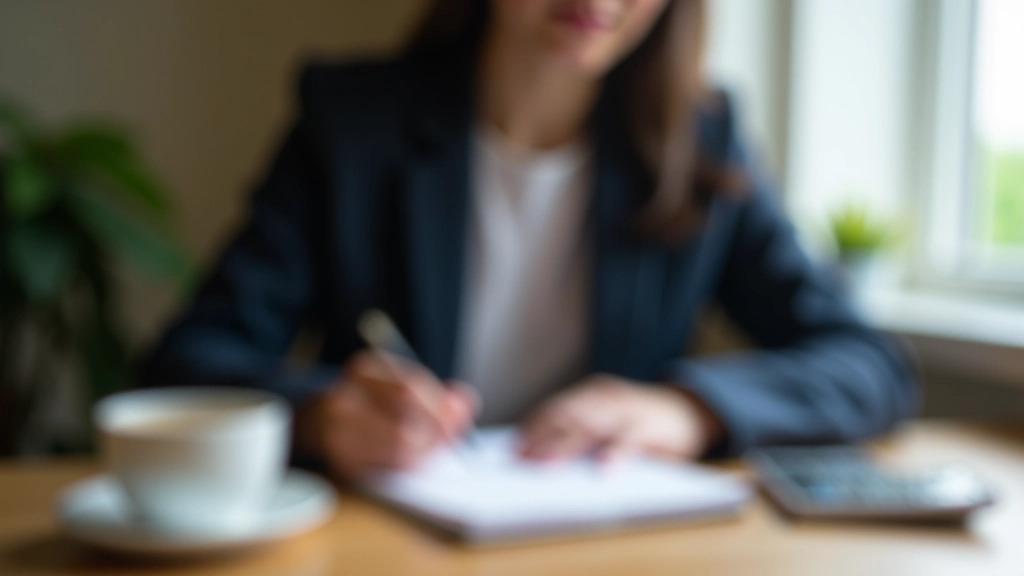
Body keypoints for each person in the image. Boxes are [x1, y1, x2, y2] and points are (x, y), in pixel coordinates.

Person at [143, 0, 917, 479]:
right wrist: (322, 417)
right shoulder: (351, 126)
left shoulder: (705, 145)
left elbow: (869, 367)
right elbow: (181, 371)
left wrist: (690, 411)